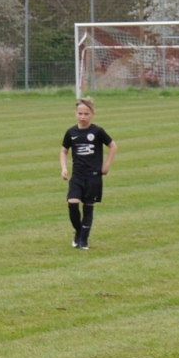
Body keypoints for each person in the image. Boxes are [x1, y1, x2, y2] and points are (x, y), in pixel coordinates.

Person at [60, 97, 117, 250]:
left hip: (93, 177)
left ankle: (83, 241)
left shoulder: (97, 131)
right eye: (80, 113)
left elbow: (113, 146)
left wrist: (106, 166)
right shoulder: (71, 132)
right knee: (72, 203)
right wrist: (64, 168)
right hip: (77, 176)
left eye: (86, 114)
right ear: (75, 114)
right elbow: (64, 151)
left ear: (93, 115)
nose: (83, 117)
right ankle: (79, 233)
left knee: (88, 207)